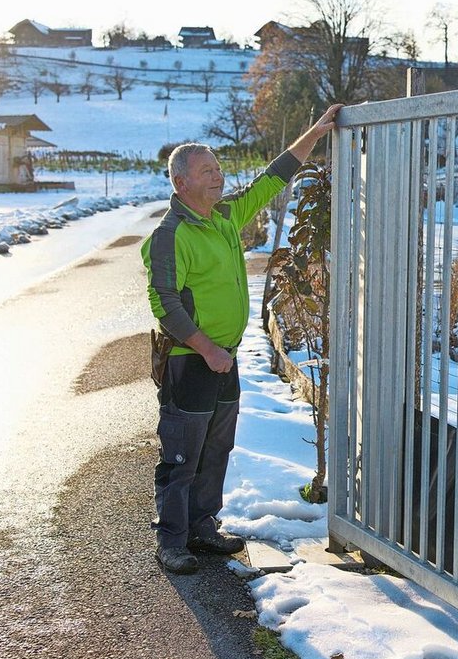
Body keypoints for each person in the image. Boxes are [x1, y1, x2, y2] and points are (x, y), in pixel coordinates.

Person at [142, 103, 343, 574]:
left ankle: (203, 526)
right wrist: (206, 348)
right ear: (181, 182)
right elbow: (164, 303)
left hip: (223, 360)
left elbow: (272, 178)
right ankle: (172, 541)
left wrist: (314, 132)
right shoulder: (170, 235)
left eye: (219, 168)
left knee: (216, 447)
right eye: (207, 171)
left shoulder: (227, 215)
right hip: (190, 361)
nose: (219, 177)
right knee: (180, 454)